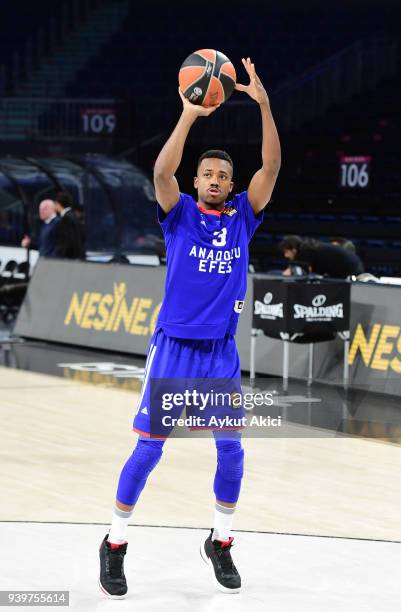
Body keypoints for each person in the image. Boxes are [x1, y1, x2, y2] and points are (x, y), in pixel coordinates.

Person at [98, 57, 281, 597]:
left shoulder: (245, 215)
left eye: (225, 175)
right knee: (149, 450)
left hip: (220, 354)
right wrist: (188, 116)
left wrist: (265, 106)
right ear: (197, 181)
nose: (218, 181)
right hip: (175, 348)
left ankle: (220, 541)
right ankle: (114, 544)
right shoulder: (178, 214)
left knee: (232, 450)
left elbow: (270, 168)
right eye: (209, 174)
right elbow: (159, 174)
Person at [279, 235, 364, 278]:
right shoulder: (307, 247)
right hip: (353, 265)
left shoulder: (304, 251)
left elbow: (304, 271)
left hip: (351, 268)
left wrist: (291, 268)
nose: (285, 255)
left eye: (286, 252)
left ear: (293, 249)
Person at [54, 191, 85, 259]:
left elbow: (68, 241)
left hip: (69, 259)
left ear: (58, 204)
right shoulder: (74, 216)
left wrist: (61, 256)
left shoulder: (66, 218)